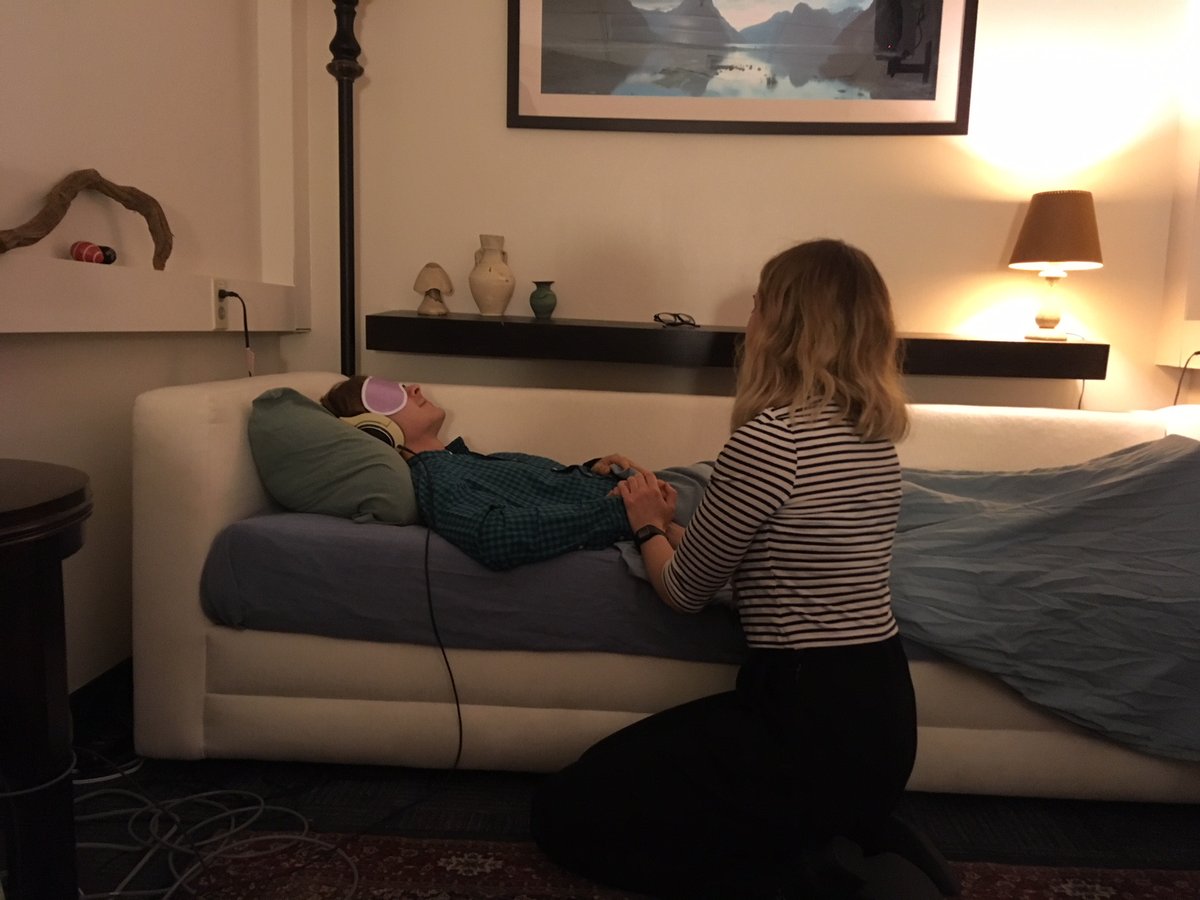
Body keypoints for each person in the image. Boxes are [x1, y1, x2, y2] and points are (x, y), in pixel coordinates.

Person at [529, 239, 927, 900]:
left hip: (806, 725)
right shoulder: (874, 440)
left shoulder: (772, 439)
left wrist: (645, 525)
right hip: (882, 718)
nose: (750, 322)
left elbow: (684, 590)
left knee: (564, 812)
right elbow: (770, 558)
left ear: (785, 325)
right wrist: (672, 525)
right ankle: (821, 841)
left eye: (758, 305)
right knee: (629, 775)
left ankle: (803, 873)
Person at [318, 375, 682, 570]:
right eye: (388, 394)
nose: (413, 387)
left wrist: (593, 470)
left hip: (663, 497)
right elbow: (496, 536)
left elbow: (543, 495)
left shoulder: (465, 461)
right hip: (662, 519)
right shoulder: (437, 478)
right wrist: (626, 513)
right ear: (375, 429)